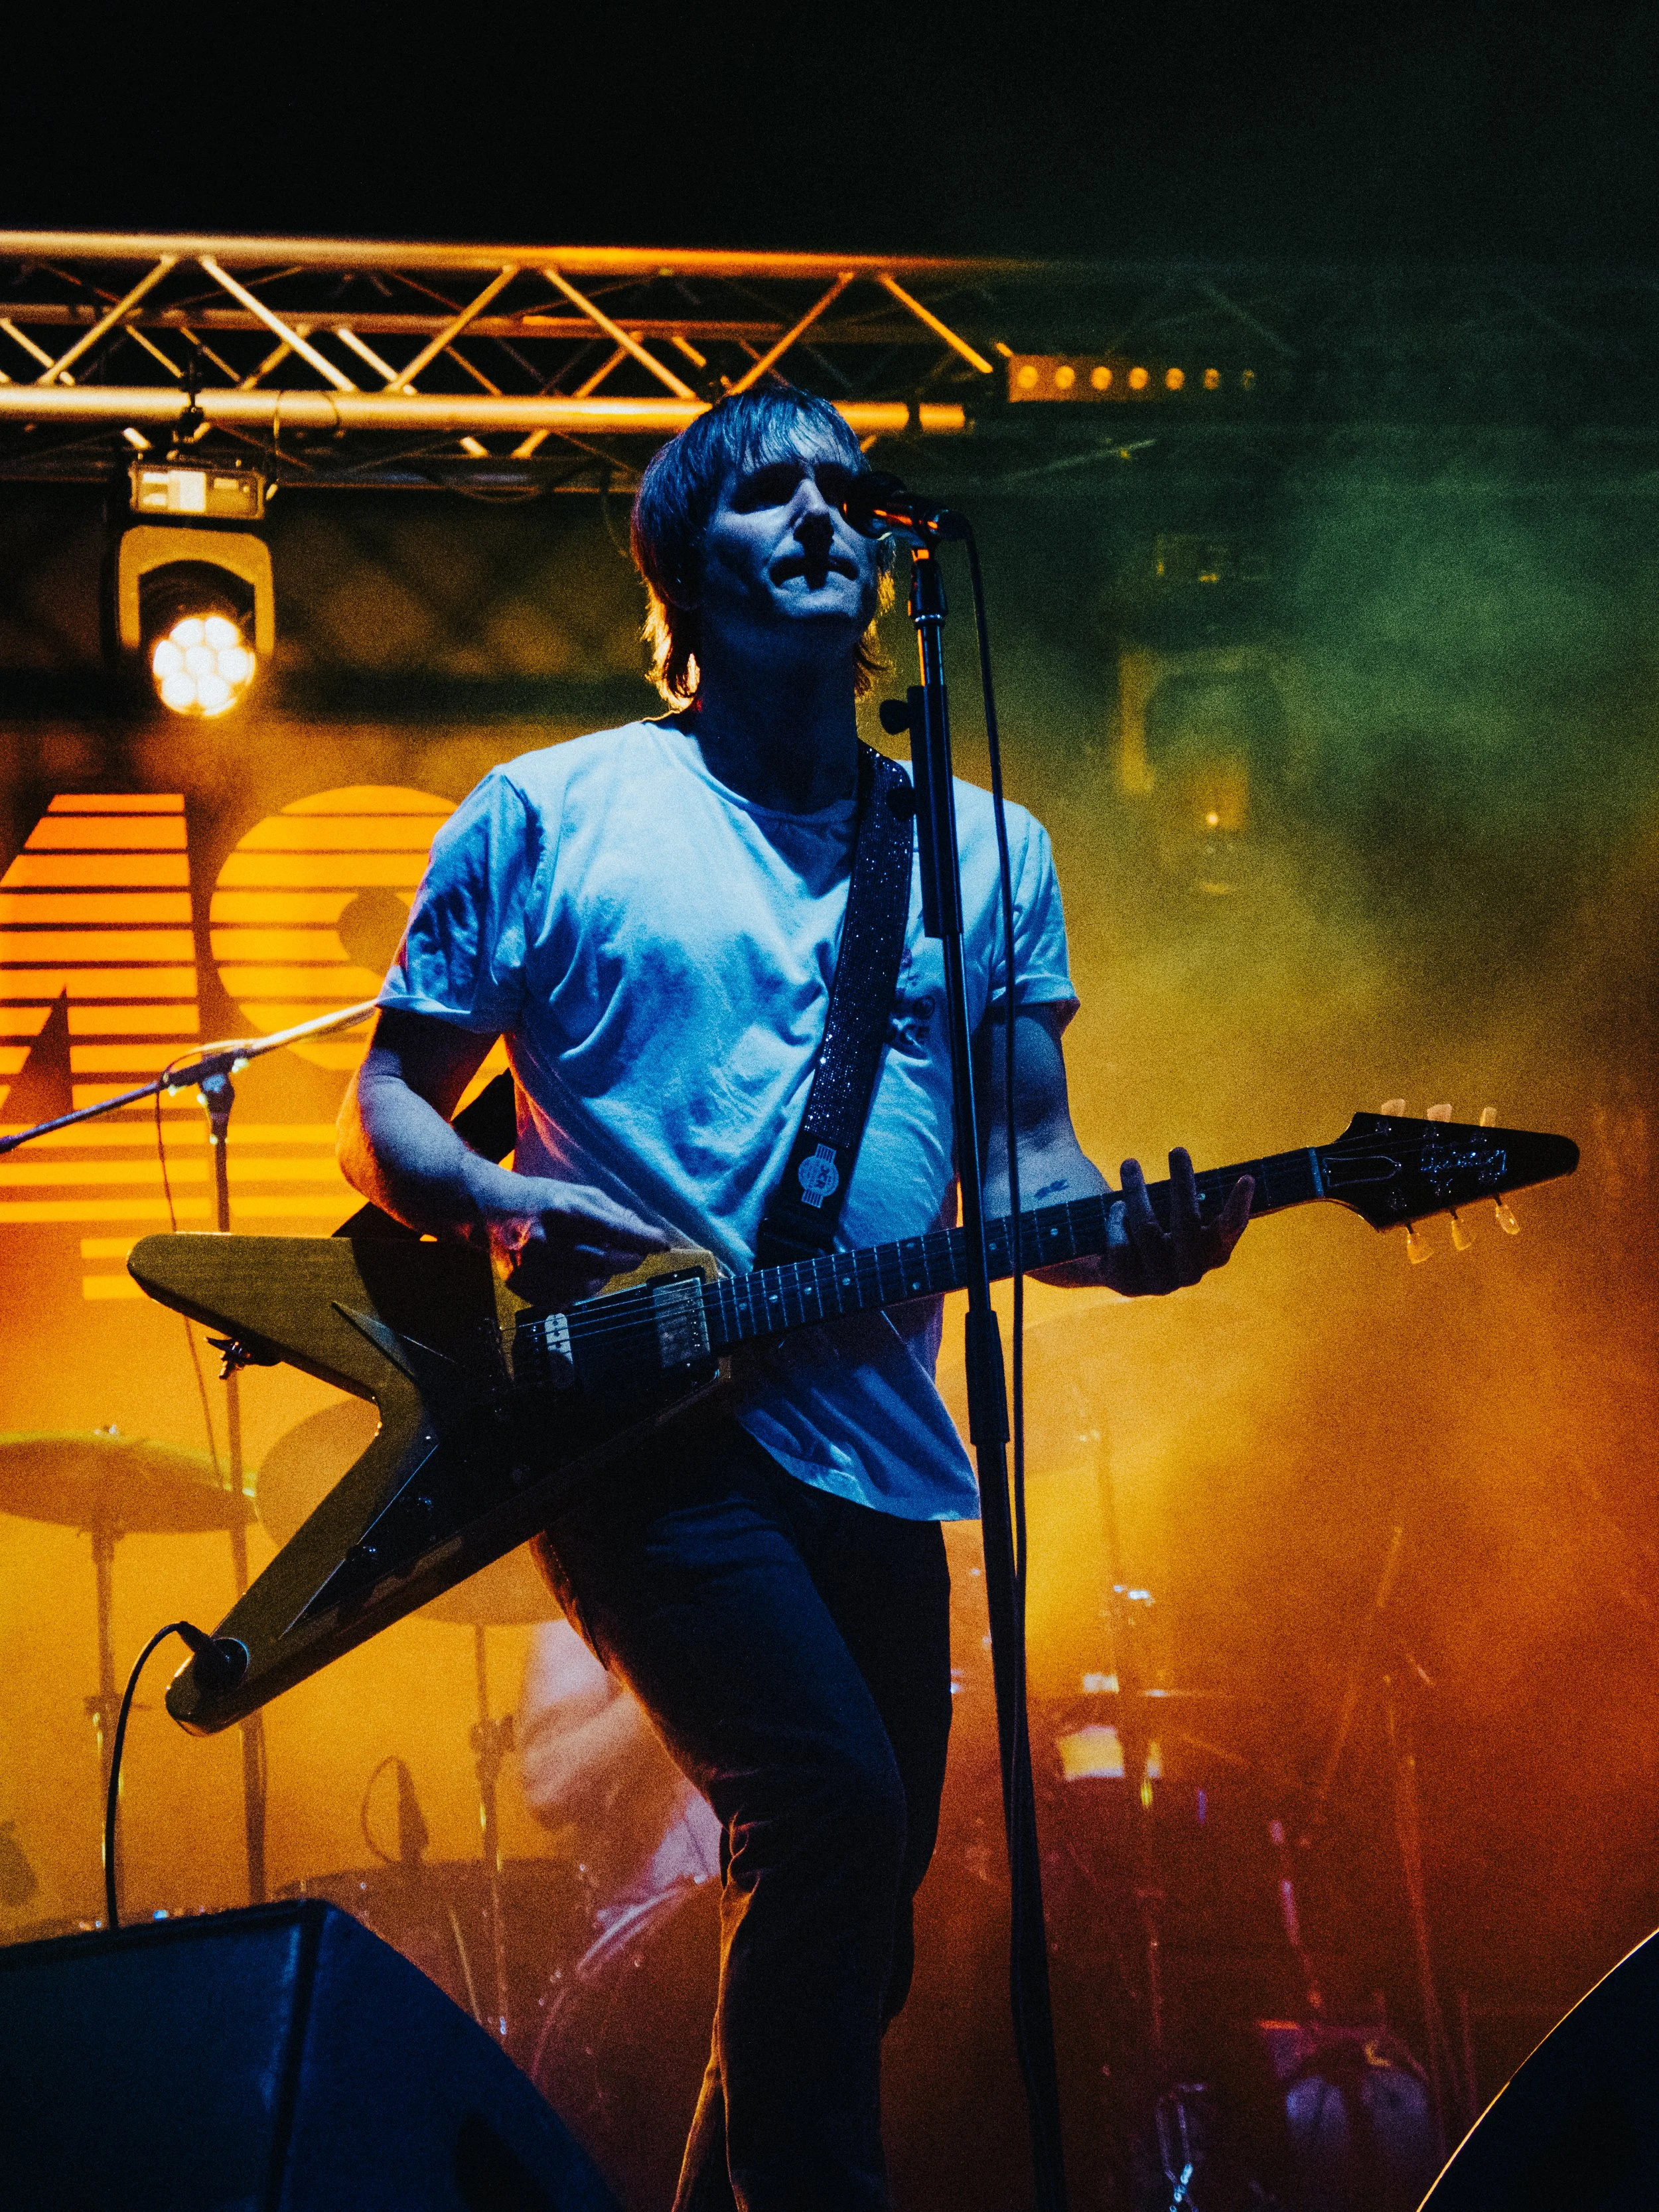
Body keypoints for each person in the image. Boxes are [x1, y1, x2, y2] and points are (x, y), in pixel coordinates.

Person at [338, 381, 1252, 2212]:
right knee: (826, 1815)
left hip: (881, 1449)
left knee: (857, 1887)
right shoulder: (550, 813)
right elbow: (382, 1111)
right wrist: (498, 1199)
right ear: (680, 577)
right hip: (636, 1431)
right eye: (772, 493)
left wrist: (1132, 1238)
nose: (828, 514)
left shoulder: (985, 848)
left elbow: (1028, 1162)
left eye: (846, 488)